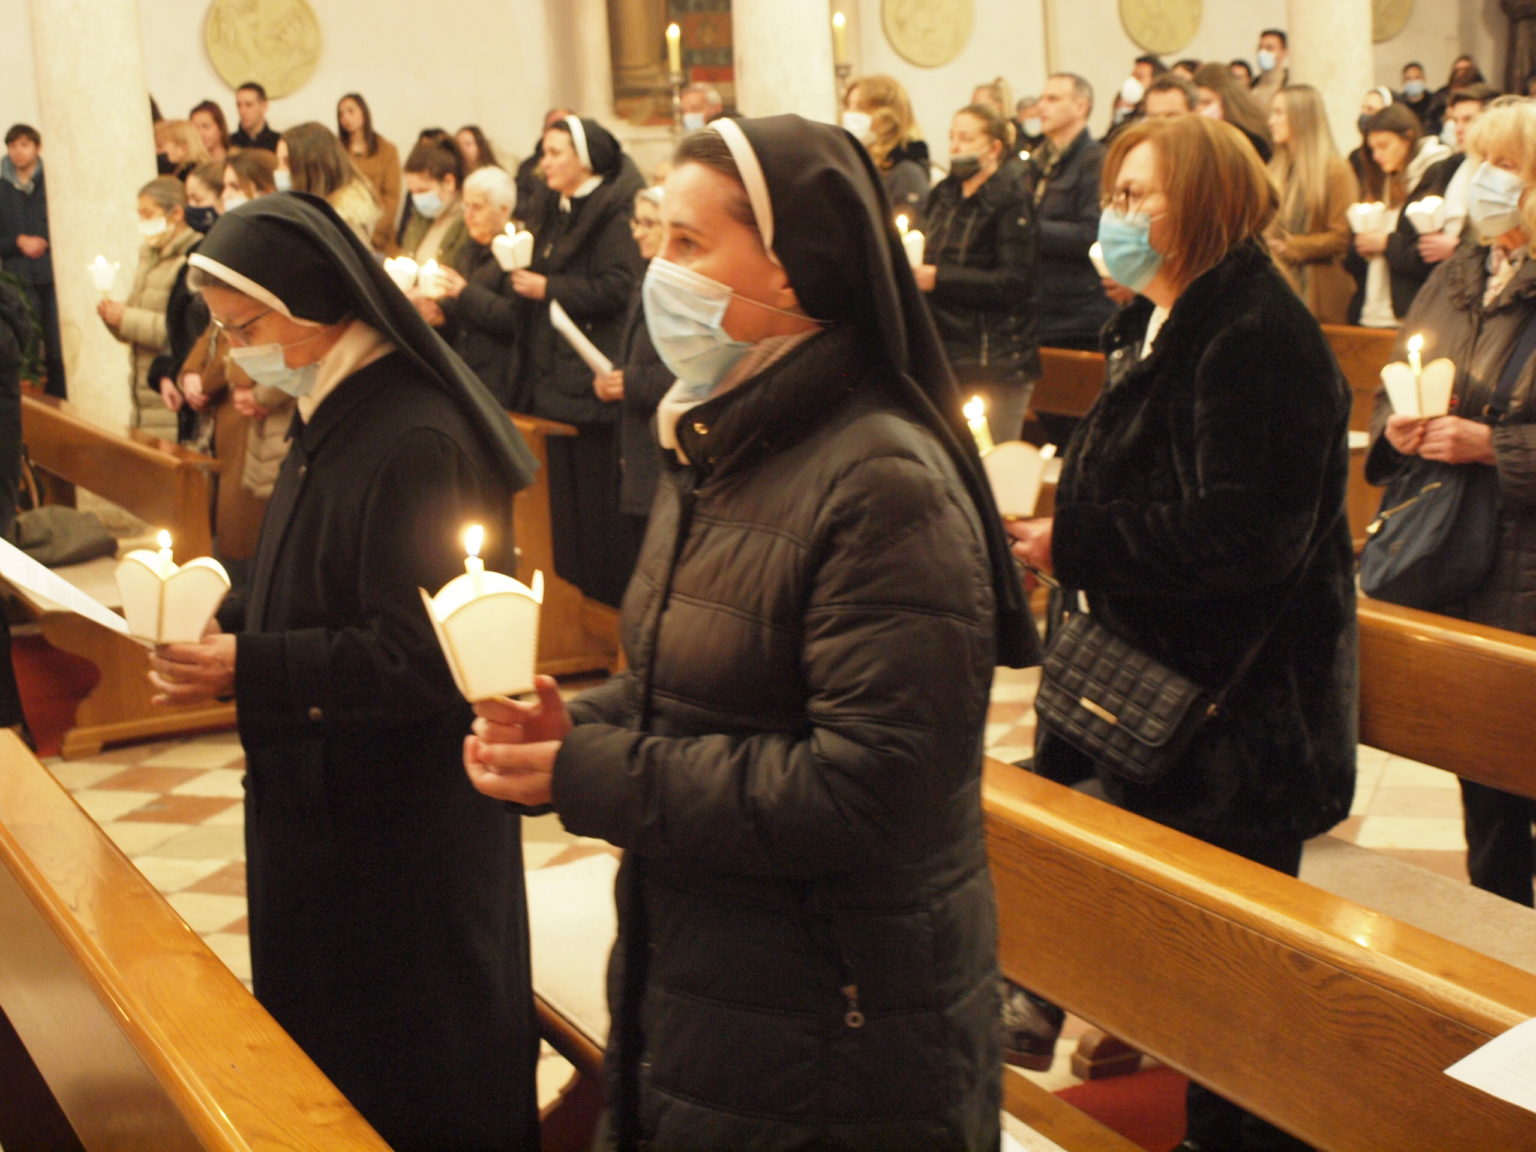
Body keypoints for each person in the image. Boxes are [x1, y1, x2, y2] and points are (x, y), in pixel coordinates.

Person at [463, 112, 1035, 1152]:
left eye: (689, 245)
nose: (659, 274)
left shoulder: (882, 482)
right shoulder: (727, 434)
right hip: (718, 980)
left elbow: (865, 791)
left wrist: (591, 773)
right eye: (659, 242)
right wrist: (576, 721)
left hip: (838, 1036)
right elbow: (691, 677)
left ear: (797, 271)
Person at [148, 192, 540, 1151]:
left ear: (317, 308)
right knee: (325, 1081)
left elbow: (418, 657)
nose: (233, 349)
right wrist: (209, 601)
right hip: (326, 823)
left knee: (414, 1086)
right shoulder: (333, 410)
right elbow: (309, 575)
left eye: (245, 327)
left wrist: (247, 663)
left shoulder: (414, 435)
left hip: (401, 849)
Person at [1009, 112, 1354, 1152]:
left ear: (1203, 206)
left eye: (1135, 197)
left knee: (1234, 1011)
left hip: (1239, 723)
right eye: (1112, 194)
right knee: (1159, 955)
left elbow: (1244, 537)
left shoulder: (1256, 334)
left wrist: (1078, 543)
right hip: (1156, 696)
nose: (1113, 216)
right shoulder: (1162, 318)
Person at [1366, 100, 1536, 907]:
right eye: (1476, 161)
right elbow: (1398, 373)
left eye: (1503, 164)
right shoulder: (1457, 272)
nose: (1482, 180)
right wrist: (1397, 424)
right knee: (1489, 780)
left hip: (1527, 564)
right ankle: (1509, 974)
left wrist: (1490, 446)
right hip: (1460, 554)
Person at [514, 115, 643, 608]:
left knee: (597, 510)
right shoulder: (556, 205)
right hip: (553, 378)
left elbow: (618, 284)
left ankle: (606, 613)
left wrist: (549, 287)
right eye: (544, 152)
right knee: (563, 513)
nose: (544, 163)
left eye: (554, 153)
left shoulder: (612, 210)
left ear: (584, 159)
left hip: (590, 379)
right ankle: (573, 606)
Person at [917, 102, 1039, 444]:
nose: (954, 146)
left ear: (994, 147)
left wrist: (936, 278)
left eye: (966, 138)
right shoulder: (944, 194)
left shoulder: (1011, 198)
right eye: (952, 137)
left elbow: (1012, 282)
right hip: (945, 351)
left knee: (992, 465)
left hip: (994, 358)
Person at [593, 184, 670, 562]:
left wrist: (632, 381)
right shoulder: (648, 277)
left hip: (661, 447)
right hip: (639, 436)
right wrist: (616, 377)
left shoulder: (677, 285)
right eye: (636, 222)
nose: (637, 231)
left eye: (648, 223)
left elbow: (689, 371)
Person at [97, 177, 198, 438]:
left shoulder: (189, 257)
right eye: (140, 214)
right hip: (144, 388)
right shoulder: (149, 256)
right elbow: (134, 320)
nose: (143, 222)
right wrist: (114, 318)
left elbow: (183, 330)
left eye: (149, 214)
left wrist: (127, 318)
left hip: (170, 384)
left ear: (176, 213)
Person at [1346, 103, 1452, 327]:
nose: (1377, 156)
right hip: (1374, 309)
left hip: (1414, 310)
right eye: (1372, 148)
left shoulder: (1437, 173)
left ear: (1408, 138)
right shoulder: (1386, 180)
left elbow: (1429, 254)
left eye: (1383, 146)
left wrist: (1386, 243)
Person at [1029, 73, 1114, 350]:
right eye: (1042, 98)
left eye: (1053, 99)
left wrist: (1026, 228)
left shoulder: (1096, 161)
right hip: (1040, 310)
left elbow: (1093, 232)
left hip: (1079, 313)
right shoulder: (1038, 161)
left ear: (1081, 107)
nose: (1041, 107)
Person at [431, 164, 521, 408]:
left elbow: (515, 317)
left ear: (503, 210)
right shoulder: (467, 251)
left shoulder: (519, 253)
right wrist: (438, 314)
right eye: (466, 206)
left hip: (499, 379)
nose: (468, 215)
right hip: (464, 370)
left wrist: (464, 292)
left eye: (477, 207)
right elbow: (458, 311)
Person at [1266, 85, 1356, 323]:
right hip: (1279, 283)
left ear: (1300, 117)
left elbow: (1341, 236)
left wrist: (1289, 247)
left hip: (1319, 289)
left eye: (1278, 113)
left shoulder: (1335, 170)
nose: (1270, 121)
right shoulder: (1276, 169)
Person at [0, 124, 63, 397]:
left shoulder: (53, 182)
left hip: (53, 275)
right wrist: (18, 242)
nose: (18, 151)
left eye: (25, 145)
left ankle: (61, 401)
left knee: (57, 344)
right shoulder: (2, 187)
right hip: (17, 277)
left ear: (38, 148)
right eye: (13, 145)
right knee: (24, 346)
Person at [1415, 84, 1501, 269]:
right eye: (1455, 120)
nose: (1458, 129)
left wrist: (1457, 248)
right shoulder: (1452, 167)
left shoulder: (1506, 172)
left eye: (1468, 119)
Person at [843, 73, 931, 227]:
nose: (849, 114)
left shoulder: (906, 172)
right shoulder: (857, 162)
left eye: (860, 107)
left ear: (887, 114)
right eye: (848, 106)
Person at [278, 123, 381, 248]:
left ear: (310, 166)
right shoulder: (317, 212)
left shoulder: (343, 220)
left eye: (286, 162)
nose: (279, 170)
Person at [337, 93, 402, 255]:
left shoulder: (386, 150)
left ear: (363, 112)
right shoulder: (337, 150)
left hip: (378, 229)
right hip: (347, 228)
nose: (346, 118)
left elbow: (392, 197)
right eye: (341, 114)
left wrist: (377, 236)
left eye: (351, 111)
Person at [400, 138, 468, 268]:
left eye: (423, 190)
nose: (417, 198)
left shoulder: (468, 220)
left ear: (449, 182)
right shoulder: (420, 216)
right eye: (413, 192)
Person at [1192, 62, 1272, 162]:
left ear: (1227, 101)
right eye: (1196, 103)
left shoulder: (1250, 139)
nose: (1199, 109)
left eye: (1207, 103)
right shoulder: (1196, 136)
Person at [514, 106, 574, 228]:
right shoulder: (529, 167)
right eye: (553, 127)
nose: (547, 163)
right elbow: (518, 206)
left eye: (563, 127)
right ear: (544, 132)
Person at [1348, 86, 1395, 185]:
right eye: (1363, 109)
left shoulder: (1395, 156)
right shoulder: (1355, 157)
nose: (1364, 114)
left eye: (1370, 109)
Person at [230, 81, 280, 152]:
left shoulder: (279, 143)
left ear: (264, 106)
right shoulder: (229, 143)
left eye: (249, 105)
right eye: (239, 105)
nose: (242, 111)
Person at [1250, 27, 1289, 109]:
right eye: (1260, 48)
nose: (1262, 52)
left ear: (1284, 52)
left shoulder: (1288, 83)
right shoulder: (1252, 85)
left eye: (1269, 48)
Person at [190, 99, 230, 166]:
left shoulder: (236, 161)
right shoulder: (191, 166)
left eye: (206, 126)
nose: (200, 133)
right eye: (196, 128)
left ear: (220, 128)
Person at [1400, 61, 1433, 127]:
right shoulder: (1399, 104)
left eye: (1417, 78)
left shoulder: (1434, 102)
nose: (1413, 82)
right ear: (1403, 81)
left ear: (1424, 79)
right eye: (1408, 79)